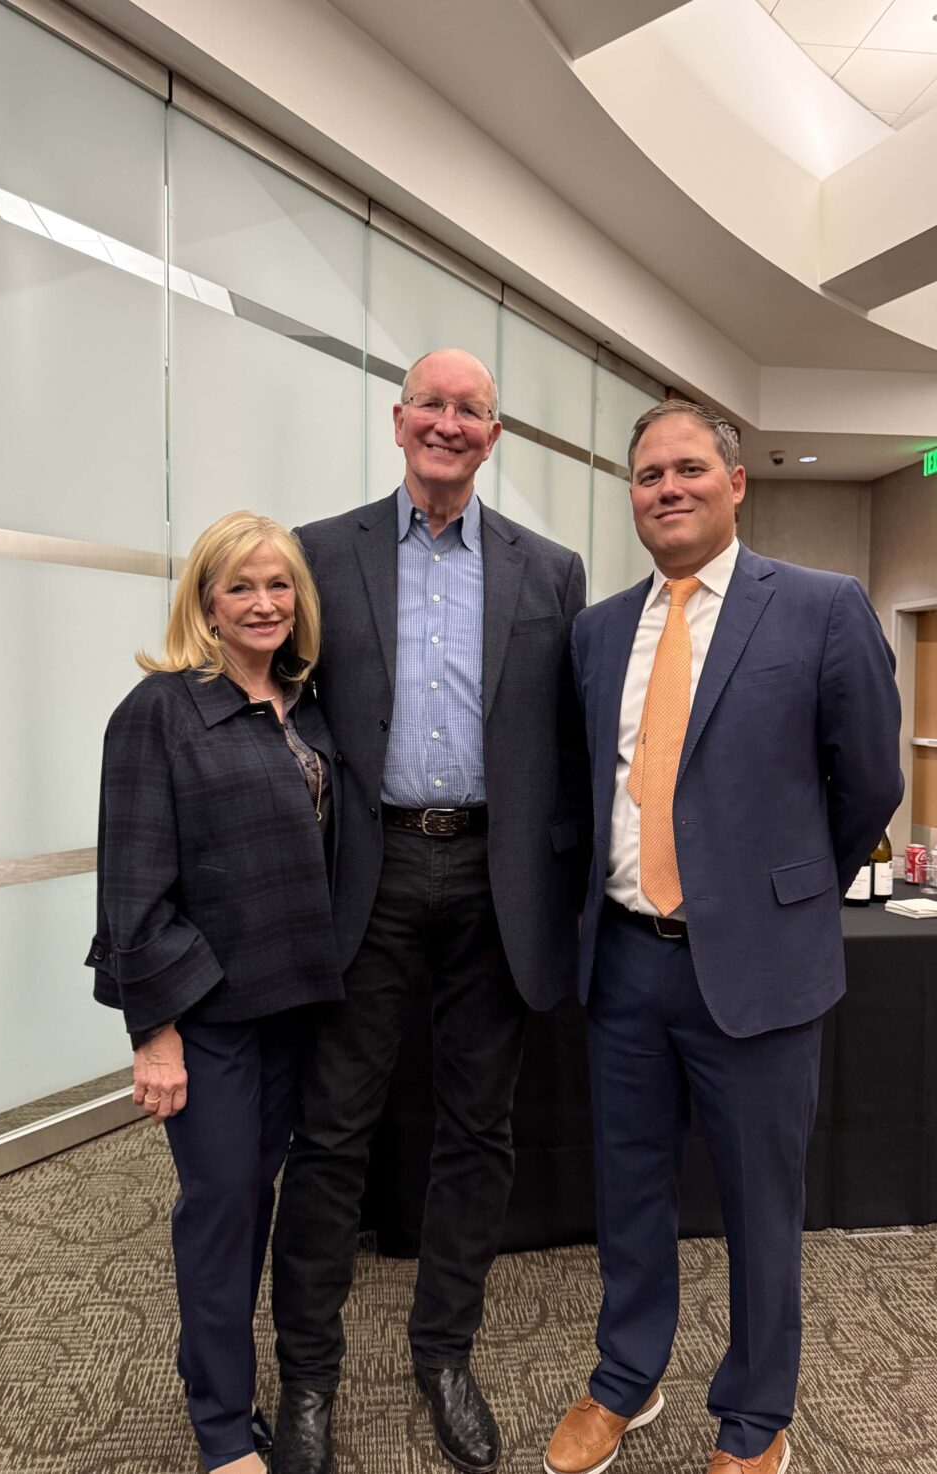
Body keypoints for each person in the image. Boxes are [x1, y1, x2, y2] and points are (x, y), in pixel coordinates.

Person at [544, 400, 903, 1474]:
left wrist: (784, 895)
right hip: (622, 961)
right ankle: (626, 1377)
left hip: (754, 965)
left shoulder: (822, 608)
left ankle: (754, 1418)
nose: (667, 487)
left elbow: (869, 781)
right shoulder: (599, 629)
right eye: (647, 473)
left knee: (759, 1200)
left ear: (734, 482)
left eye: (689, 468)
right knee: (628, 1185)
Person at [270, 348, 589, 1474]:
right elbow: (278, 713)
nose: (448, 424)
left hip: (493, 881)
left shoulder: (548, 569)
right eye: (432, 405)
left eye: (472, 410)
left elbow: (566, 741)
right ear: (398, 419)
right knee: (332, 1132)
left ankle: (443, 1351)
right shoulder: (317, 553)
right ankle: (305, 1378)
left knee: (476, 1132)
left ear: (492, 437)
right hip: (369, 871)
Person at [87, 511, 344, 1474]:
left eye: (279, 585)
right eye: (241, 586)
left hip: (297, 1007)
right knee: (220, 1208)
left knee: (254, 1203)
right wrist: (153, 1034)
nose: (264, 603)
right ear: (205, 599)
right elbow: (131, 889)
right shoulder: (158, 712)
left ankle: (225, 1390)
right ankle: (223, 1432)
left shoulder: (302, 705)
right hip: (209, 1016)